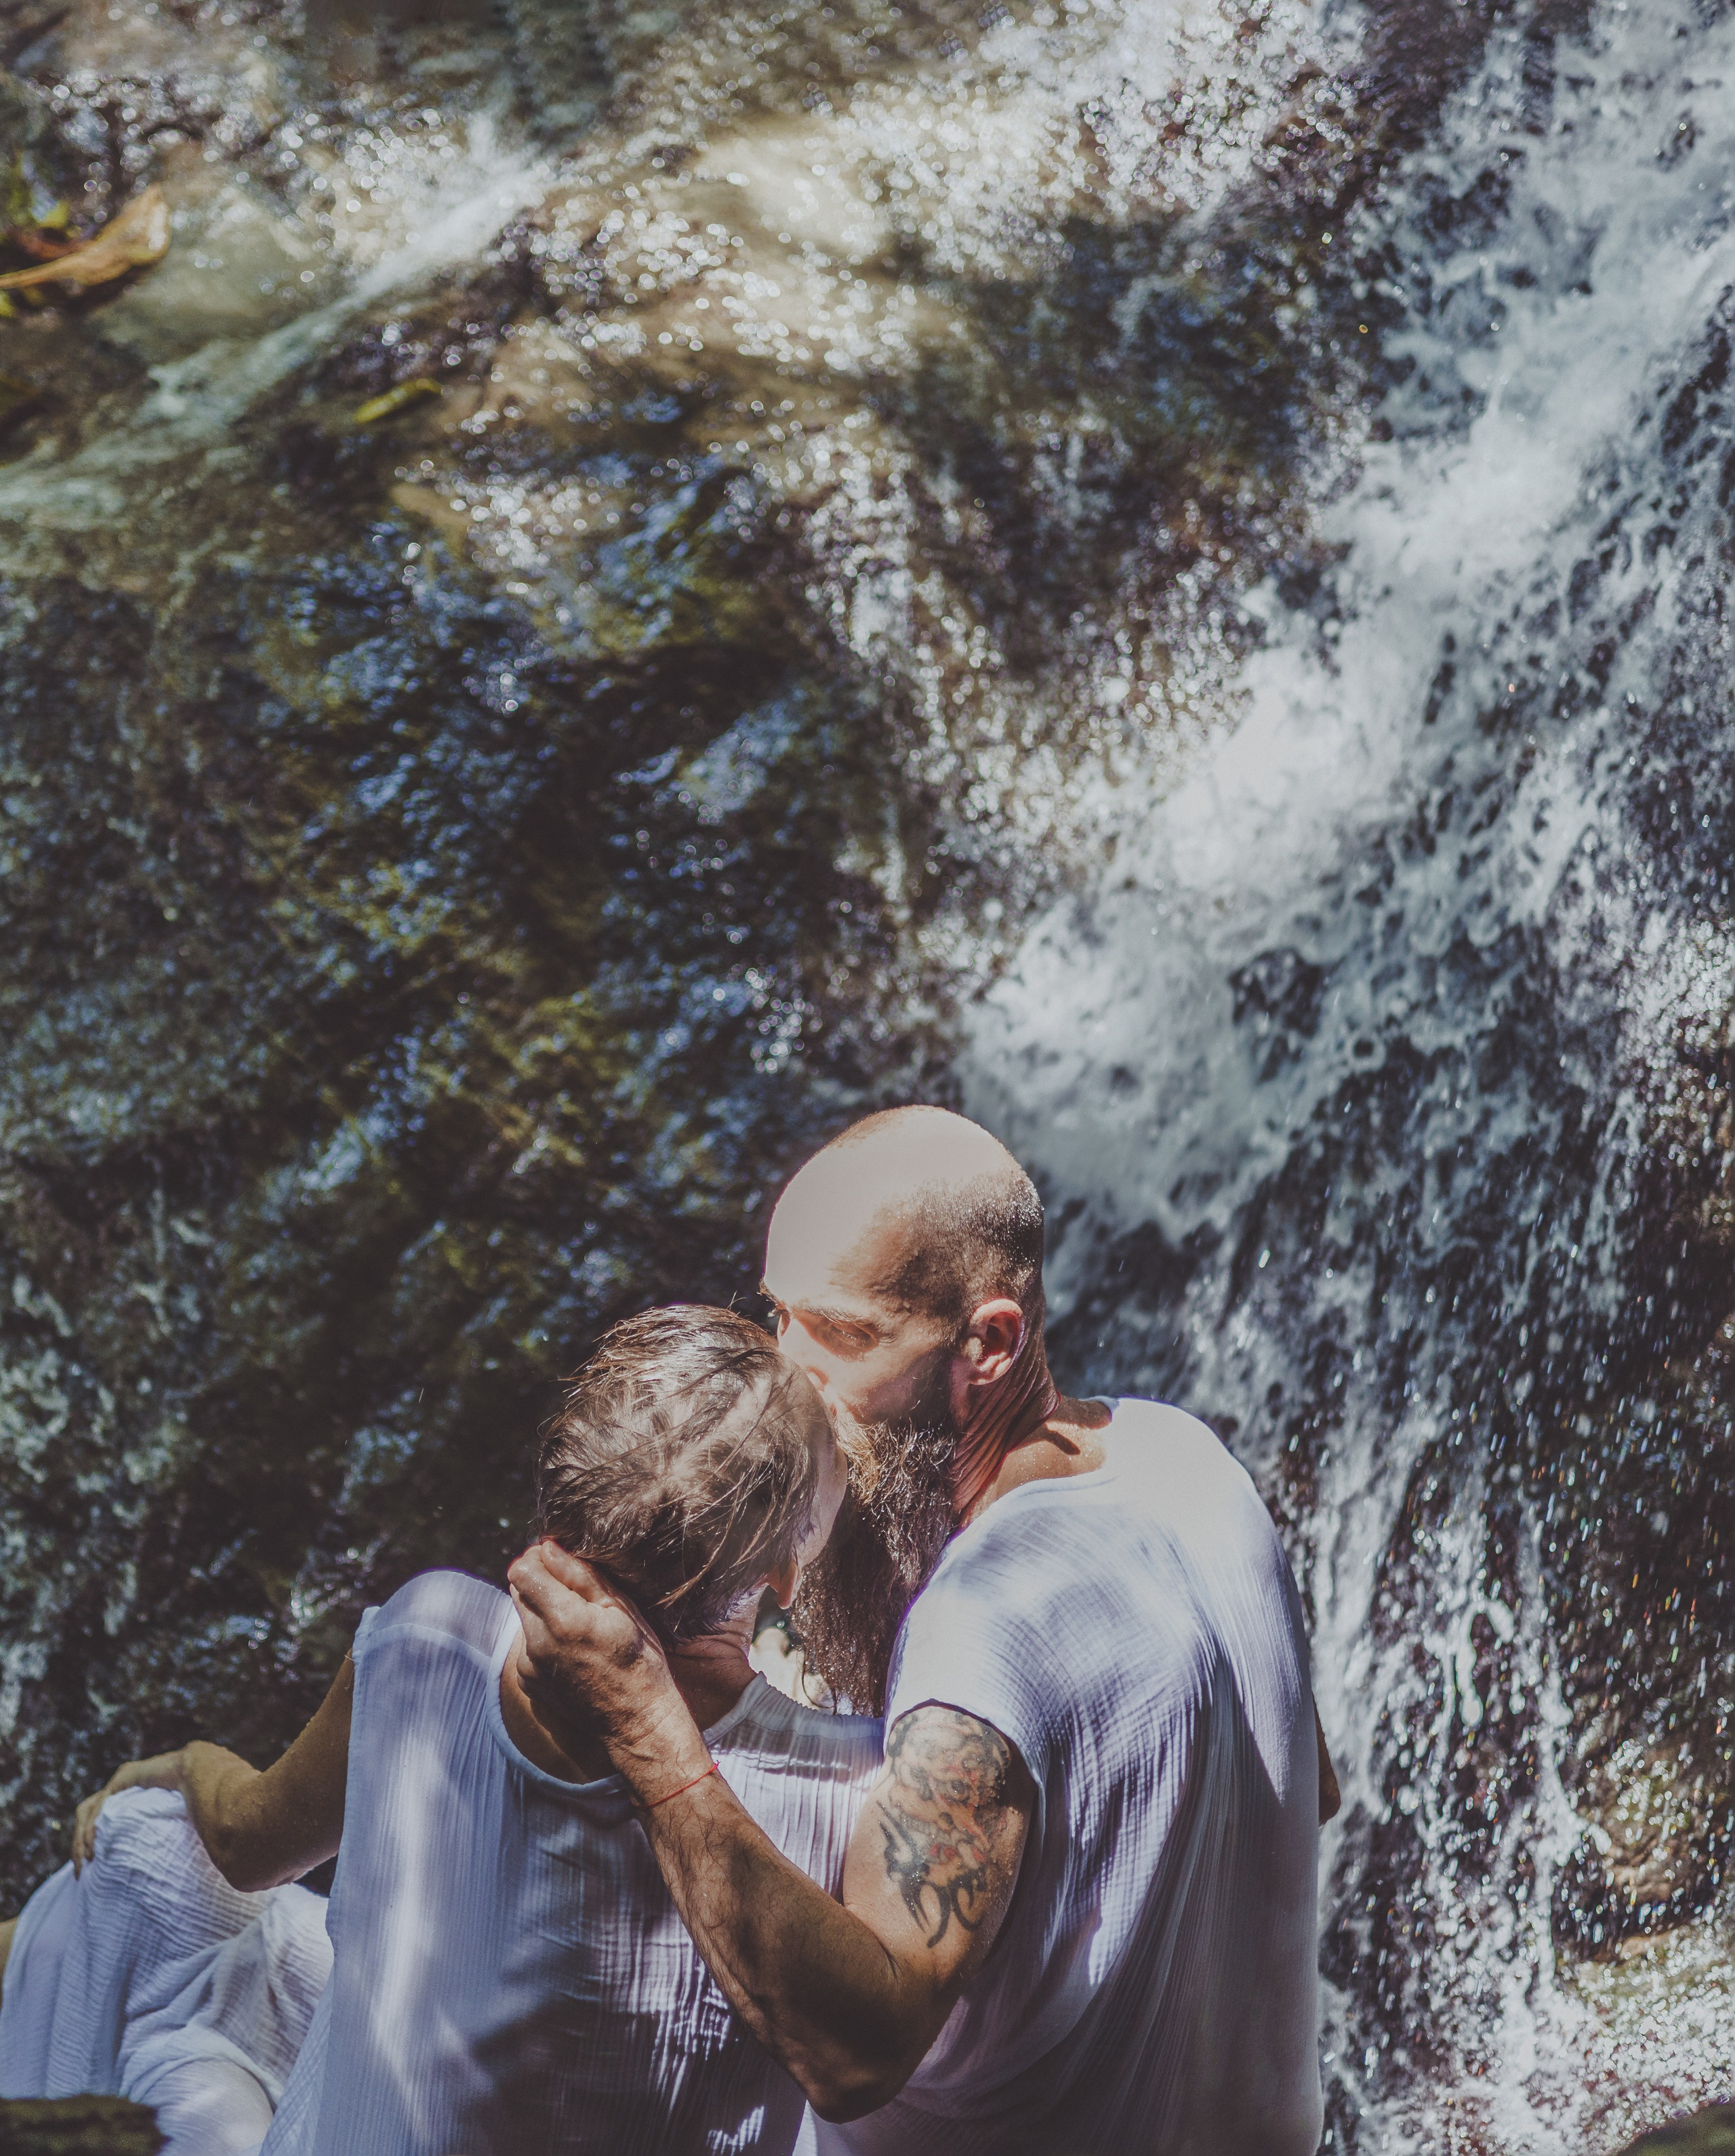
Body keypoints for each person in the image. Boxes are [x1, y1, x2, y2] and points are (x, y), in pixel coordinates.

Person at [512, 1107, 1330, 2155]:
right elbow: (1305, 1789)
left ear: (988, 1340)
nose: (783, 1377)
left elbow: (855, 2055)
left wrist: (646, 1726)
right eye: (776, 1316)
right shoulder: (1190, 1459)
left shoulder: (980, 1632)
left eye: (843, 1335)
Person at [1, 1305, 883, 2156]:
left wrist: (183, 1760)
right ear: (783, 1564)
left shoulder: (433, 1639)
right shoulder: (849, 1786)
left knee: (147, 1845)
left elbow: (245, 1843)